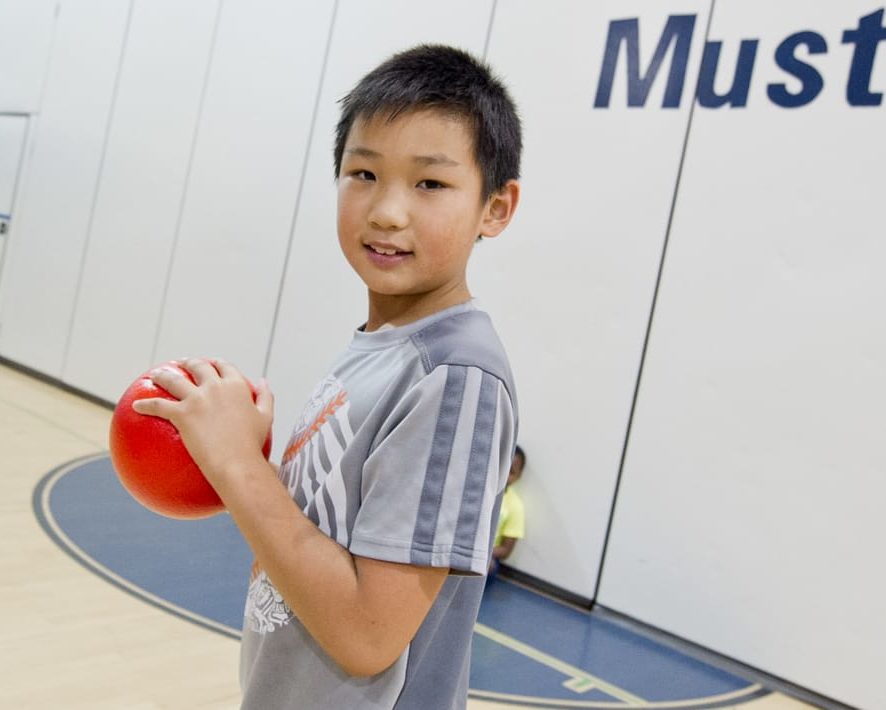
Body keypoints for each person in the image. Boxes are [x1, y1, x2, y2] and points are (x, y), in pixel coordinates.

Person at [132, 44, 522, 709]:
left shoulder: (455, 377)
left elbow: (367, 636)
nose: (387, 211)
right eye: (363, 173)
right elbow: (303, 551)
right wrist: (255, 459)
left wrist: (238, 468)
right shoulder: (378, 345)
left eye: (429, 183)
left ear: (495, 207)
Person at [488, 445, 526, 579]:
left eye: (511, 471)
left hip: (488, 556)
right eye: (502, 467)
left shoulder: (515, 506)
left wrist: (481, 553)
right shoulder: (480, 493)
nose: (504, 474)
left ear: (519, 476)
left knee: (488, 565)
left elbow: (506, 550)